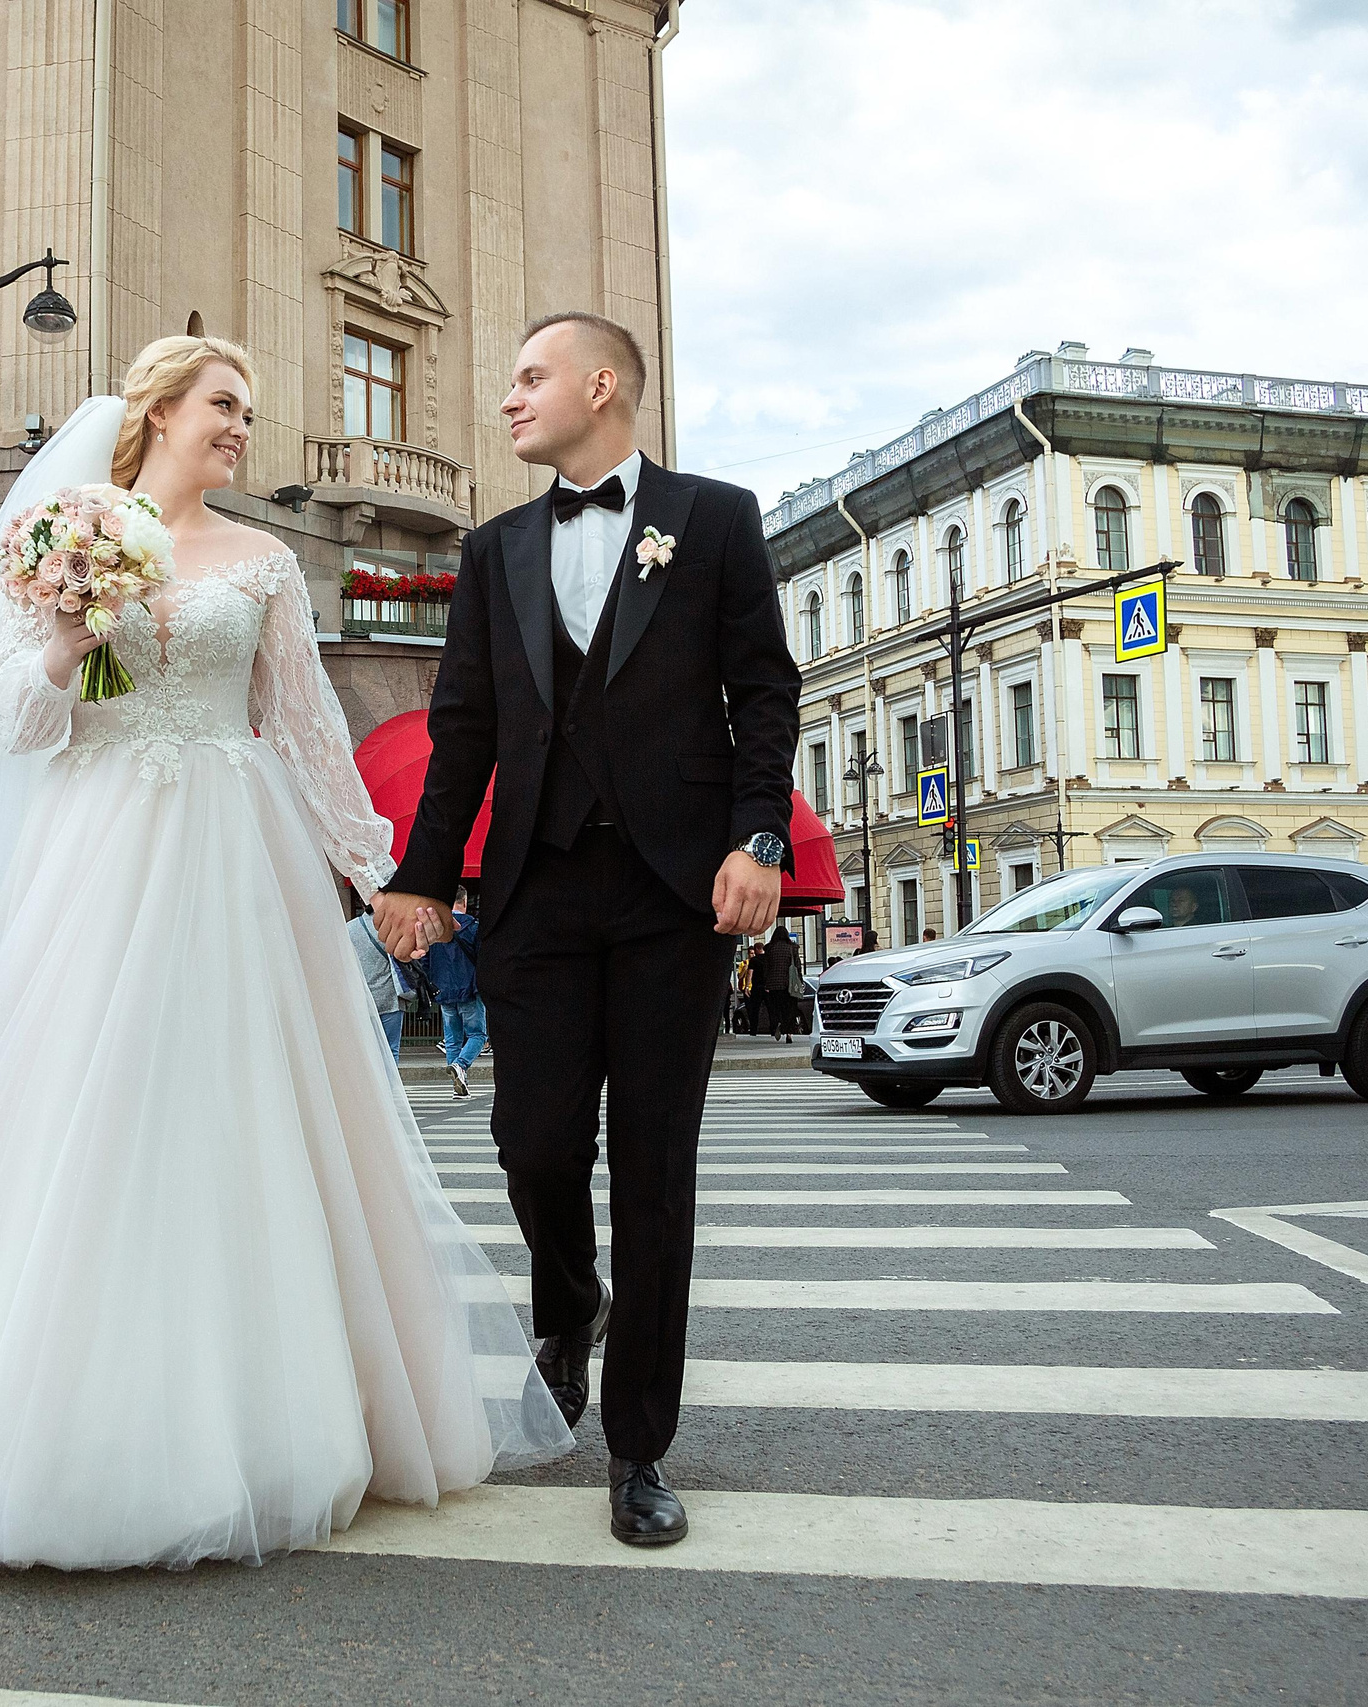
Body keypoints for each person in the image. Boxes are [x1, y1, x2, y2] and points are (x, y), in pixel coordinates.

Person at [0, 336, 570, 1570]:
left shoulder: (263, 562)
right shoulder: (69, 535)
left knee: (240, 1118)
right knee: (83, 1112)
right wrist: (68, 627)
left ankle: (266, 1420)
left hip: (229, 851)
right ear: (156, 412)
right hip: (97, 855)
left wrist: (388, 877)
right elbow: (19, 726)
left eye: (249, 409)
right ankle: (42, 1431)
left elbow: (305, 730)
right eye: (224, 405)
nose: (242, 427)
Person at [372, 311, 801, 1547]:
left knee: (656, 1171)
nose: (508, 400)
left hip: (676, 895)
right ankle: (571, 1303)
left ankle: (637, 1449)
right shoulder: (494, 545)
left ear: (599, 385)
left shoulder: (712, 517)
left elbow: (762, 691)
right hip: (537, 892)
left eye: (527, 378)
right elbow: (461, 731)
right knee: (534, 1147)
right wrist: (421, 875)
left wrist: (756, 839)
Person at [421, 890, 486, 1097]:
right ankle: (461, 1066)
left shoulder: (436, 928)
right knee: (477, 1034)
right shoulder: (473, 927)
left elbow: (424, 959)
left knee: (452, 1038)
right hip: (468, 988)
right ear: (464, 902)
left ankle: (457, 1083)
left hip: (443, 989)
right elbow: (483, 959)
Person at [347, 909, 406, 1061]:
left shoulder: (349, 928)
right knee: (391, 1050)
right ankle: (392, 1085)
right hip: (391, 997)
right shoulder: (392, 928)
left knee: (366, 1051)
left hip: (363, 998)